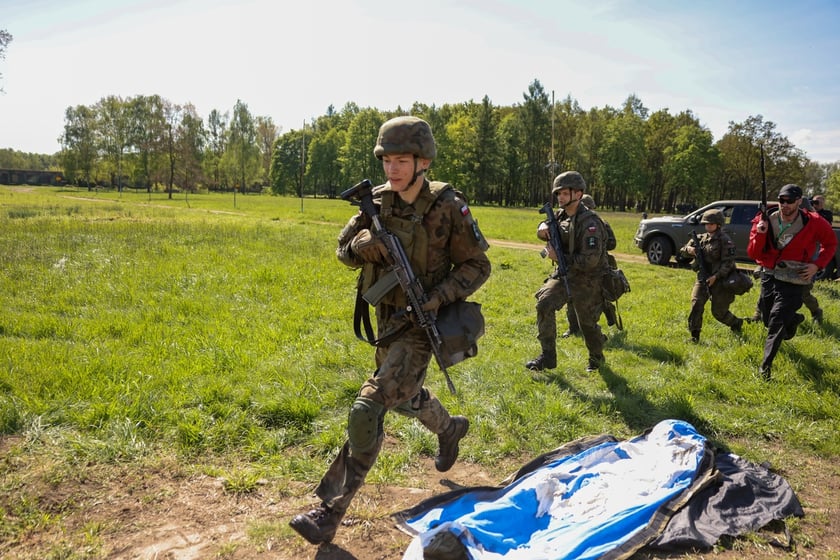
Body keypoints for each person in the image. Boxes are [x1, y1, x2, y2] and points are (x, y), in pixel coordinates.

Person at [289, 116, 491, 545]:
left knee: (369, 407)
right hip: (387, 321)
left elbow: (478, 264)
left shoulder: (448, 206)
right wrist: (361, 248)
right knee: (403, 397)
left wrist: (438, 297)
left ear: (423, 162)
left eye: (402, 160)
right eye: (387, 160)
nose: (393, 169)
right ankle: (450, 428)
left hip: (424, 323)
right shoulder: (374, 203)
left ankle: (328, 513)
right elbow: (342, 252)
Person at [747, 184, 837, 380]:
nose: (784, 205)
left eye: (789, 201)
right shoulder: (765, 219)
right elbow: (753, 253)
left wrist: (817, 265)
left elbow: (830, 243)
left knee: (777, 320)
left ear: (799, 201)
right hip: (770, 272)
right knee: (767, 317)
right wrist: (760, 233)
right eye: (781, 200)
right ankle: (793, 320)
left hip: (795, 277)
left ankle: (765, 366)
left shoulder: (814, 222)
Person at [526, 171, 609, 373]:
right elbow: (547, 225)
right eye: (558, 194)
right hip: (564, 276)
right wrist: (541, 228)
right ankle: (547, 356)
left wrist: (558, 257)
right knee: (544, 303)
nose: (560, 198)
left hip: (588, 279)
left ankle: (597, 358)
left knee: (586, 324)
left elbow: (590, 261)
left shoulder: (590, 223)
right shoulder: (560, 215)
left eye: (564, 193)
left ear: (578, 194)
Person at [678, 209, 745, 343]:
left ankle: (736, 323)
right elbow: (683, 251)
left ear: (718, 224)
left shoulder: (725, 240)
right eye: (706, 224)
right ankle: (694, 336)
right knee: (696, 304)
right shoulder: (700, 238)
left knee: (718, 313)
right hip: (703, 277)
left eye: (711, 224)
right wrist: (689, 250)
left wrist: (716, 277)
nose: (708, 226)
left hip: (720, 279)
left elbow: (729, 263)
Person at [562, 194, 619, 337]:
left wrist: (597, 246)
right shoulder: (571, 222)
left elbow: (612, 243)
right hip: (575, 266)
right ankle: (573, 328)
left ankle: (599, 325)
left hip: (595, 267)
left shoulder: (600, 223)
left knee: (596, 299)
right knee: (571, 298)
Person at [811, 195, 838, 280]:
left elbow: (825, 222)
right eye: (816, 201)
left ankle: (813, 279)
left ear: (823, 204)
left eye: (820, 202)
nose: (818, 204)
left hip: (819, 241)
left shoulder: (827, 213)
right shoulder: (808, 211)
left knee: (815, 260)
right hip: (809, 240)